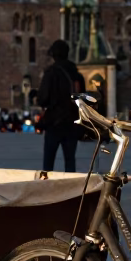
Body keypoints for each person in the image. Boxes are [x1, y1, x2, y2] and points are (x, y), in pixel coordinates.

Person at [37, 39, 83, 172]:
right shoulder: (76, 74)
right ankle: (71, 184)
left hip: (54, 122)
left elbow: (43, 99)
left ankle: (47, 183)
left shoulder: (51, 73)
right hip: (72, 121)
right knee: (70, 160)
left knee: (48, 162)